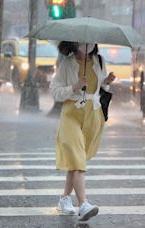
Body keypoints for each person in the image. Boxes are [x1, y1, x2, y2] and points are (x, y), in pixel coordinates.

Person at [50, 41, 116, 221]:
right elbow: (55, 91)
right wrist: (74, 87)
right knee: (78, 159)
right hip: (71, 115)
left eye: (91, 42)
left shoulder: (99, 60)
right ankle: (83, 204)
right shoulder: (67, 64)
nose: (88, 45)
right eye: (83, 43)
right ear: (74, 44)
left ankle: (64, 199)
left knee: (75, 161)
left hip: (92, 116)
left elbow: (101, 88)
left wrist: (107, 82)